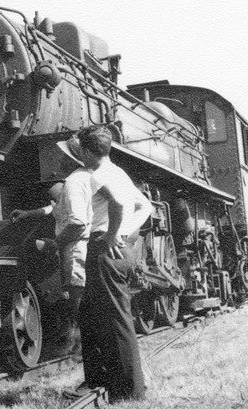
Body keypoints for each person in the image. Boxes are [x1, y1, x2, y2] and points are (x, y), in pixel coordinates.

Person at [63, 125, 153, 403]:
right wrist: (126, 233)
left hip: (105, 248)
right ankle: (101, 380)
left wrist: (114, 234)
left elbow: (115, 208)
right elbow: (146, 207)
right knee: (94, 316)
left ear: (90, 152)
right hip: (120, 249)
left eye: (81, 150)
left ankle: (131, 392)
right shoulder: (119, 173)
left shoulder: (93, 176)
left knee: (116, 320)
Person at [10, 137, 88, 354]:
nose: (60, 159)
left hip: (75, 246)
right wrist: (29, 213)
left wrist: (56, 242)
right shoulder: (71, 183)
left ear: (73, 160)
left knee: (78, 298)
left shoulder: (72, 184)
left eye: (65, 156)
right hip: (70, 246)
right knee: (74, 296)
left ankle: (85, 348)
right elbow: (54, 209)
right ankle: (79, 347)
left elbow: (77, 223)